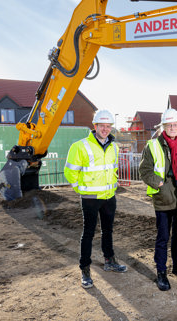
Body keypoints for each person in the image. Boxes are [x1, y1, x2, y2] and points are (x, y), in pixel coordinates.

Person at [64, 109, 127, 289]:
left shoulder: (114, 146)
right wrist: (80, 189)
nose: (105, 129)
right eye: (102, 126)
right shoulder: (80, 146)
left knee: (108, 231)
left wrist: (112, 186)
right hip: (90, 197)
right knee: (88, 234)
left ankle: (110, 260)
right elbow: (70, 172)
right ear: (95, 126)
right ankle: (85, 269)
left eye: (108, 126)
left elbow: (113, 169)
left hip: (109, 196)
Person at [139, 108, 177, 292]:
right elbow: (145, 170)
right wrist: (159, 184)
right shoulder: (153, 145)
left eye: (175, 124)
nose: (172, 127)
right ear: (164, 126)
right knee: (163, 236)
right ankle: (161, 272)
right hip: (164, 197)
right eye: (169, 125)